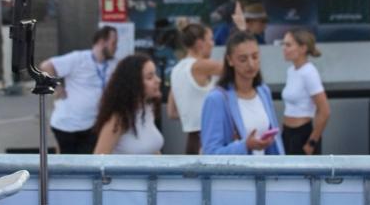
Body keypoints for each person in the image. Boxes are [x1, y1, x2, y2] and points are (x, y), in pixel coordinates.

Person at [200, 32, 284, 155]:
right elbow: (211, 152)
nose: (251, 64)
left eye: (255, 57)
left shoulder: (263, 91)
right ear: (229, 60)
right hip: (239, 173)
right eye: (243, 59)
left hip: (264, 172)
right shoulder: (216, 99)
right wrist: (245, 146)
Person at [40, 26, 119, 154]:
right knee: (67, 165)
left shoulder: (112, 64)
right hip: (68, 124)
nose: (116, 47)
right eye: (113, 43)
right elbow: (46, 66)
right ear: (101, 42)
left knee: (87, 163)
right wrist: (57, 87)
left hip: (93, 123)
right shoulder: (79, 58)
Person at [168, 23, 223, 153]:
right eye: (210, 39)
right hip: (208, 140)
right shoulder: (201, 66)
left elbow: (172, 112)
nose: (213, 44)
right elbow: (237, 67)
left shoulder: (176, 70)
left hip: (192, 141)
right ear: (200, 43)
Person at [92, 54, 164, 154]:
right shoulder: (118, 118)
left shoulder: (147, 109)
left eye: (155, 75)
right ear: (134, 84)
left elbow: (152, 149)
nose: (158, 80)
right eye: (149, 77)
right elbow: (99, 159)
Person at [279, 29, 330, 155]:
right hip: (287, 133)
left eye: (288, 45)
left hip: (302, 135)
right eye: (283, 44)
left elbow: (324, 111)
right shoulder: (291, 71)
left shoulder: (309, 72)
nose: (284, 48)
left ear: (303, 48)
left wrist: (311, 142)